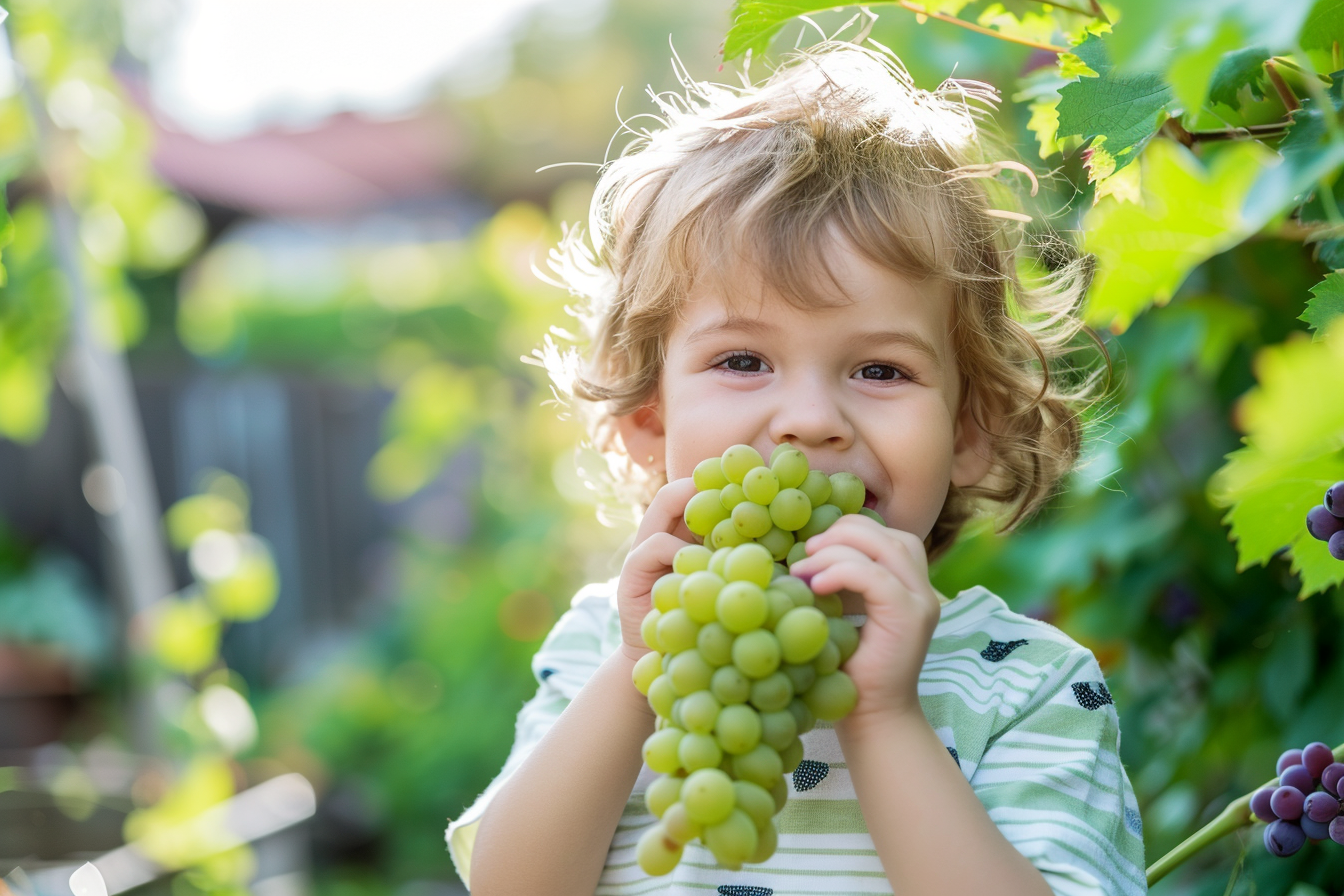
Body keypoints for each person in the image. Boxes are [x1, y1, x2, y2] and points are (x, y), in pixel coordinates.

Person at [448, 39, 1146, 896]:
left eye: (881, 370)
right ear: (648, 420)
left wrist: (885, 718)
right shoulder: (606, 646)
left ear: (969, 430)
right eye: (743, 360)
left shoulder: (1025, 685)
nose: (812, 421)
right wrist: (638, 672)